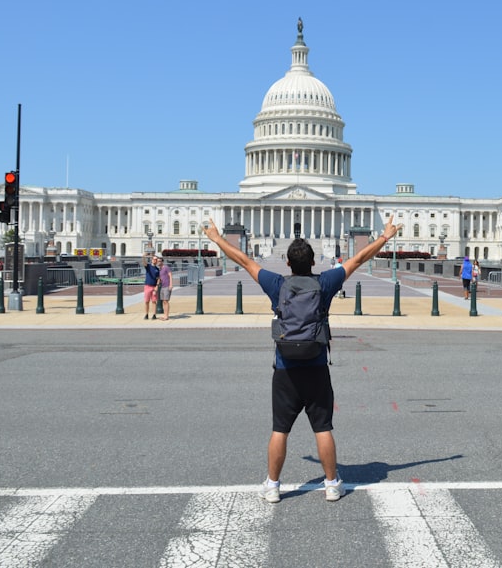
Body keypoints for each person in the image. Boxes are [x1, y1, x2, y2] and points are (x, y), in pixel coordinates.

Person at [204, 216, 400, 504]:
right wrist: (385, 237)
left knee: (280, 429)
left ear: (287, 263)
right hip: (316, 365)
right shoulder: (326, 282)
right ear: (313, 263)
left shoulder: (276, 284)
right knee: (322, 428)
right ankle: (332, 484)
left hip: (285, 368)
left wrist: (217, 239)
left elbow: (245, 261)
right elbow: (358, 259)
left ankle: (272, 485)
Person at [142, 252, 160, 320]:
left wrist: (156, 287)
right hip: (147, 286)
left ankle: (154, 314)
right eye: (154, 259)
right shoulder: (148, 267)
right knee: (146, 301)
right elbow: (144, 263)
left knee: (154, 301)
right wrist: (144, 257)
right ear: (152, 260)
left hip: (154, 286)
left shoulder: (157, 269)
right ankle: (146, 314)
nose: (155, 261)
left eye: (156, 260)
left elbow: (158, 279)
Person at [156, 255, 172, 320]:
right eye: (158, 261)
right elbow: (159, 278)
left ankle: (166, 316)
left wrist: (171, 285)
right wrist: (157, 286)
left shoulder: (166, 267)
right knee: (163, 301)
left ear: (162, 261)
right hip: (162, 286)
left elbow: (170, 275)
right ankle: (165, 315)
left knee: (166, 301)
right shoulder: (159, 269)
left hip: (167, 286)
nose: (158, 262)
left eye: (160, 261)